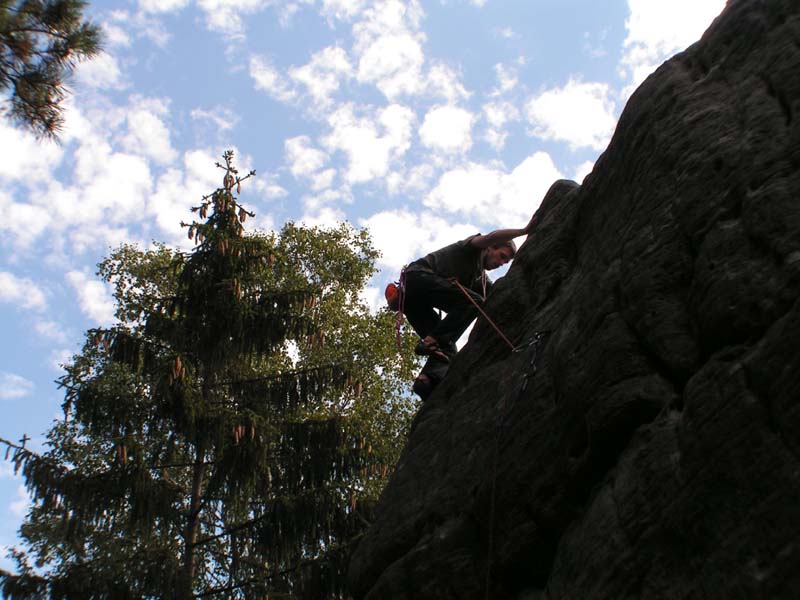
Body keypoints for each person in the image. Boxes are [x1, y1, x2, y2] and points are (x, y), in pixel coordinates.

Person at [401, 212, 538, 399]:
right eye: (501, 256)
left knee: (447, 349)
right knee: (471, 303)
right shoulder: (472, 248)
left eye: (505, 262)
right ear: (490, 248)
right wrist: (525, 231)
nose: (500, 263)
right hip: (417, 277)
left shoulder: (480, 280)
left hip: (413, 303)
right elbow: (491, 236)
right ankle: (431, 340)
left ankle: (426, 382)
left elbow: (497, 294)